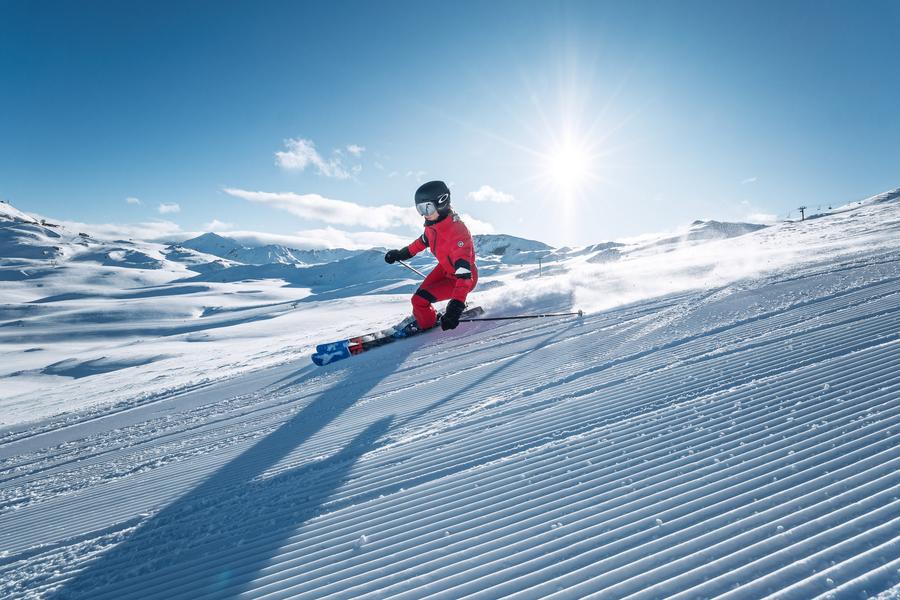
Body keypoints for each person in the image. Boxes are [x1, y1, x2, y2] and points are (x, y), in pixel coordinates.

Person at [384, 180, 478, 332]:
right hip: (445, 270)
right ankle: (424, 315)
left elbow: (464, 276)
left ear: (442, 202)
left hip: (462, 279)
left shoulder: (458, 232)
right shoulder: (433, 227)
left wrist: (455, 307)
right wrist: (400, 254)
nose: (424, 214)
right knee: (420, 297)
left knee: (419, 300)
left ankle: (426, 325)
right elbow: (420, 243)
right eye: (420, 209)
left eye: (427, 208)